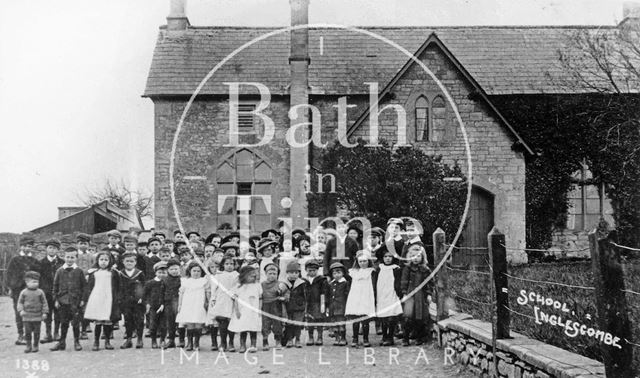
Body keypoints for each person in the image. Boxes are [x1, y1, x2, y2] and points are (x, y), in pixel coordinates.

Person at [50, 247, 86, 352]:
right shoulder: (59, 271)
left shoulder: (79, 271)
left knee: (75, 323)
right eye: (68, 257)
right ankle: (62, 342)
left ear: (76, 258)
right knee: (63, 322)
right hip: (63, 301)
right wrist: (56, 299)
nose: (70, 259)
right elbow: (55, 287)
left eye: (72, 257)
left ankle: (76, 341)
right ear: (64, 257)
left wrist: (83, 299)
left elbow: (84, 286)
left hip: (75, 301)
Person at [7, 234, 40, 345]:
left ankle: (28, 334)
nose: (27, 248)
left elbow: (38, 275)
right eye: (24, 246)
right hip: (17, 290)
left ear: (32, 248)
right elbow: (9, 274)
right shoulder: (14, 260)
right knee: (19, 312)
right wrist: (10, 288)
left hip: (30, 291)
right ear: (21, 247)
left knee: (30, 312)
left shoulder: (35, 261)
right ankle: (20, 335)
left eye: (29, 246)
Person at [84, 250, 119, 351]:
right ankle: (96, 341)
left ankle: (107, 341)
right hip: (97, 298)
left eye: (106, 260)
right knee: (98, 322)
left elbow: (118, 286)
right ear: (97, 261)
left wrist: (117, 298)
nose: (103, 262)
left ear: (110, 261)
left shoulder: (113, 273)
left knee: (108, 321)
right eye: (101, 259)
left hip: (109, 298)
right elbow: (89, 287)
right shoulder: (93, 273)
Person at [400, 243, 434, 346]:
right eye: (413, 256)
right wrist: (404, 293)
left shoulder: (425, 269)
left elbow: (429, 283)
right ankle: (405, 338)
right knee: (408, 316)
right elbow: (404, 281)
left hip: (421, 295)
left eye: (418, 256)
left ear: (422, 256)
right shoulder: (408, 269)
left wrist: (428, 294)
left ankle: (420, 337)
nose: (415, 258)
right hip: (410, 294)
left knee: (420, 316)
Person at [344, 250, 377, 347]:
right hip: (356, 296)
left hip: (366, 296)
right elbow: (349, 285)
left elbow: (374, 285)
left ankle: (366, 339)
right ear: (357, 262)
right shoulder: (353, 272)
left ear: (369, 261)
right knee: (356, 318)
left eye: (365, 261)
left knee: (365, 319)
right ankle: (355, 338)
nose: (363, 263)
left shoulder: (371, 272)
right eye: (360, 261)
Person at [176, 261, 210, 351]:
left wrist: (208, 302)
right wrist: (179, 305)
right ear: (190, 271)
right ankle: (190, 342)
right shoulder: (185, 281)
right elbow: (181, 294)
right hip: (188, 304)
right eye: (194, 271)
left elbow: (207, 293)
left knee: (198, 323)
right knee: (190, 323)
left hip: (199, 304)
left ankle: (196, 342)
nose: (196, 273)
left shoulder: (204, 281)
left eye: (198, 271)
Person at [208, 254, 238, 352]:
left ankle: (231, 342)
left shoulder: (237, 275)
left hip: (232, 299)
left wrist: (234, 293)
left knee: (231, 321)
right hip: (221, 299)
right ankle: (223, 342)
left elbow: (238, 287)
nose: (229, 266)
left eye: (231, 264)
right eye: (227, 264)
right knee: (222, 321)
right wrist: (213, 299)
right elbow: (214, 289)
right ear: (223, 265)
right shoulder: (218, 275)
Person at [229, 265, 262, 353]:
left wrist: (259, 310)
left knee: (253, 328)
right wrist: (237, 311)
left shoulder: (257, 286)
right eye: (251, 275)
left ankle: (253, 345)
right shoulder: (239, 286)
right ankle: (242, 345)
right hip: (242, 311)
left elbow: (260, 298)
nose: (253, 277)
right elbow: (235, 299)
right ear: (244, 276)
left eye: (254, 275)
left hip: (253, 311)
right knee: (243, 328)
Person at [118, 251, 146, 349]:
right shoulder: (120, 273)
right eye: (127, 261)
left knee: (139, 320)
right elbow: (119, 288)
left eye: (131, 261)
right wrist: (120, 300)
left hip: (138, 301)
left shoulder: (139, 273)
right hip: (126, 301)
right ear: (123, 262)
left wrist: (142, 298)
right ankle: (129, 339)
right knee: (128, 320)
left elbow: (144, 287)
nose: (129, 263)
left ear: (135, 262)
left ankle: (139, 339)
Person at [375, 249, 403, 346]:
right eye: (385, 256)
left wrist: (399, 294)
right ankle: (384, 336)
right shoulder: (379, 268)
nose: (387, 258)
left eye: (390, 256)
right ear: (382, 258)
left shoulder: (396, 269)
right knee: (383, 317)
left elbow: (398, 283)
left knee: (391, 316)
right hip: (382, 294)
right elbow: (375, 282)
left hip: (392, 293)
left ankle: (390, 337)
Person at [38, 238, 63, 343]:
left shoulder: (62, 262)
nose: (52, 250)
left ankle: (56, 332)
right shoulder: (40, 263)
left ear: (58, 250)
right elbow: (38, 278)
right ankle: (48, 333)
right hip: (46, 292)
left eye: (55, 248)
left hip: (58, 293)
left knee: (58, 313)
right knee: (47, 313)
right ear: (46, 249)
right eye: (50, 248)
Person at [17, 270, 49, 353]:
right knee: (27, 332)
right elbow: (20, 302)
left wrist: (45, 312)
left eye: (37, 282)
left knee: (36, 332)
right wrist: (21, 310)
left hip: (37, 316)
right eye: (33, 282)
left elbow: (44, 303)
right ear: (27, 282)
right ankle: (28, 345)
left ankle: (35, 345)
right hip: (27, 316)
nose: (36, 284)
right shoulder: (23, 292)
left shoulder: (40, 292)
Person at [261, 263, 288, 350]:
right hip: (265, 306)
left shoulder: (281, 284)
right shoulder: (262, 284)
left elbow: (287, 293)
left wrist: (283, 297)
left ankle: (278, 341)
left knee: (277, 323)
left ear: (277, 274)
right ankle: (265, 341)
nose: (272, 275)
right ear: (266, 274)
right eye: (270, 273)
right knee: (265, 323)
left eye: (274, 274)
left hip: (276, 305)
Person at [304, 260, 329, 346]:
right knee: (310, 320)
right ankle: (310, 337)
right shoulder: (304, 280)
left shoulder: (322, 280)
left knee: (319, 320)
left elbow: (324, 292)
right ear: (306, 270)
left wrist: (323, 304)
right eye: (310, 270)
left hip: (318, 302)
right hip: (308, 303)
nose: (312, 272)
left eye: (314, 270)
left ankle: (319, 337)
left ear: (317, 270)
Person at [283, 261, 307, 348]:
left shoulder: (302, 283)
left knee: (297, 324)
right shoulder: (284, 283)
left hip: (299, 307)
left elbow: (305, 296)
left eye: (296, 272)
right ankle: (289, 340)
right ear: (287, 273)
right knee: (289, 324)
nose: (294, 275)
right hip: (288, 307)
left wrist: (304, 306)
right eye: (291, 272)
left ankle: (297, 339)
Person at [144, 261, 168, 349]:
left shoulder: (167, 283)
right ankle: (153, 340)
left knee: (164, 325)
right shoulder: (150, 283)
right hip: (153, 306)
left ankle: (162, 340)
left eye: (164, 272)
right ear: (155, 272)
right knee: (153, 325)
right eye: (160, 272)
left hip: (164, 307)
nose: (162, 274)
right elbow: (145, 294)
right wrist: (147, 304)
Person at [76, 233, 94, 340]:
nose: (83, 246)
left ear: (88, 245)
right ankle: (78, 327)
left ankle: (85, 326)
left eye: (85, 243)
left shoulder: (92, 256)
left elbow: (94, 268)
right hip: (77, 284)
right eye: (80, 243)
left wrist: (89, 275)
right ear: (77, 244)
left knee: (86, 305)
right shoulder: (75, 256)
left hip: (88, 284)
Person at [328, 262, 350, 346]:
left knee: (341, 324)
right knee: (334, 324)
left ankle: (343, 338)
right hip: (333, 307)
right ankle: (337, 338)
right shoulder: (331, 284)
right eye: (334, 273)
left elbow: (347, 295)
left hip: (341, 307)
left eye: (339, 272)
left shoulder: (345, 283)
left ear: (343, 273)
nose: (336, 275)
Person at [161, 259, 181, 349]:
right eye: (172, 269)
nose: (174, 271)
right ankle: (171, 340)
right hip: (168, 302)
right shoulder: (165, 280)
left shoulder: (182, 280)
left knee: (180, 321)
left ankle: (181, 340)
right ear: (168, 270)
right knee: (170, 322)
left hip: (179, 302)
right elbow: (161, 292)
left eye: (176, 269)